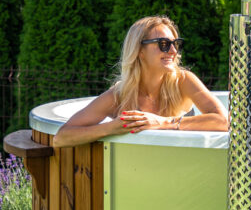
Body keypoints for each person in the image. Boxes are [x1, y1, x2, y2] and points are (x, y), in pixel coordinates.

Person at [52, 15, 229, 148]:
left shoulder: (183, 81)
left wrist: (163, 123)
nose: (173, 51)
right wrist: (110, 128)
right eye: (163, 44)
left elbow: (224, 121)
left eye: (175, 43)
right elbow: (61, 137)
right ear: (139, 51)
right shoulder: (120, 95)